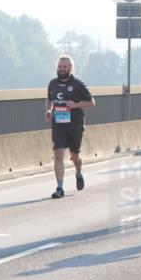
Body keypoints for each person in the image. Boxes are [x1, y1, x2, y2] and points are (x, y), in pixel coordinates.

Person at [45, 56, 95, 199]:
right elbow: (49, 99)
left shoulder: (78, 84)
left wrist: (75, 105)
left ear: (70, 68)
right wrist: (49, 110)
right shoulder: (53, 84)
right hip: (58, 124)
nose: (62, 69)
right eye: (60, 66)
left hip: (75, 124)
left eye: (65, 66)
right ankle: (60, 187)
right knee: (58, 155)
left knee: (75, 156)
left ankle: (78, 172)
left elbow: (92, 103)